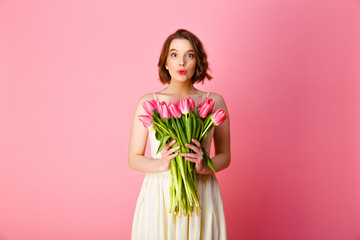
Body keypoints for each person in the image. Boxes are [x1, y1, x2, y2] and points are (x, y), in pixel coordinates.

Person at [128, 29, 230, 240]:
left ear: (198, 61)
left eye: (189, 55)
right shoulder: (149, 102)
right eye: (174, 55)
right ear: (165, 62)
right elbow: (133, 158)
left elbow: (225, 156)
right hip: (160, 192)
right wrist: (161, 164)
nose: (181, 62)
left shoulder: (214, 102)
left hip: (201, 189)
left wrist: (205, 167)